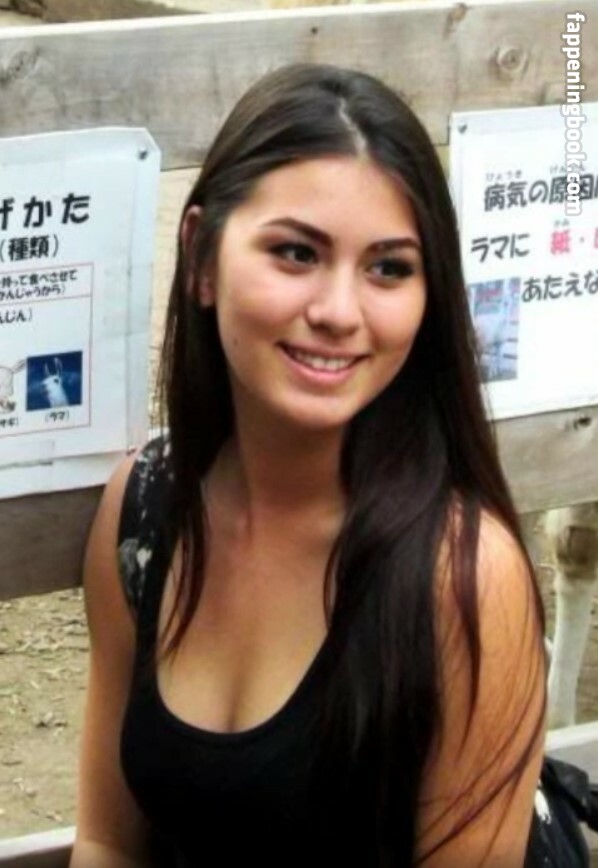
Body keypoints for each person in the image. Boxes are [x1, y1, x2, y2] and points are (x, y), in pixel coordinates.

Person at [70, 64, 549, 867]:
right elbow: (106, 841)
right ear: (200, 258)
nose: (337, 312)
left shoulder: (464, 578)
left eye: (389, 268)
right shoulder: (146, 506)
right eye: (296, 253)